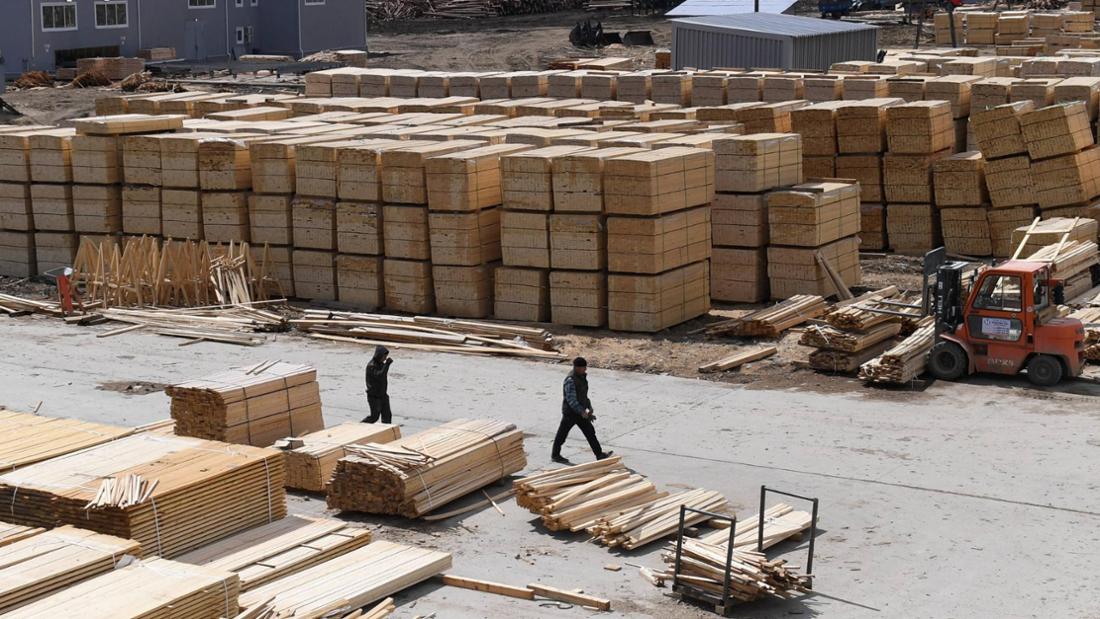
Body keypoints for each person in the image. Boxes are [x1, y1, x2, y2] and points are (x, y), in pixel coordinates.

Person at [551, 357, 613, 465]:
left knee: (590, 432)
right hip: (570, 413)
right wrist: (581, 411)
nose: (585, 370)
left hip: (580, 413)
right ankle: (555, 455)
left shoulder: (582, 377)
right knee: (562, 434)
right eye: (583, 368)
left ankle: (599, 455)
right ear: (577, 368)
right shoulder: (570, 380)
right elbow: (571, 399)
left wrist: (589, 407)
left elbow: (583, 395)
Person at [363, 346, 393, 424]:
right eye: (384, 357)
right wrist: (387, 365)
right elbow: (380, 375)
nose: (385, 359)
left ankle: (387, 432)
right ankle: (360, 426)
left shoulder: (381, 364)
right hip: (374, 397)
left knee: (387, 416)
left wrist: (385, 365)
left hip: (383, 395)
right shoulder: (371, 366)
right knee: (374, 417)